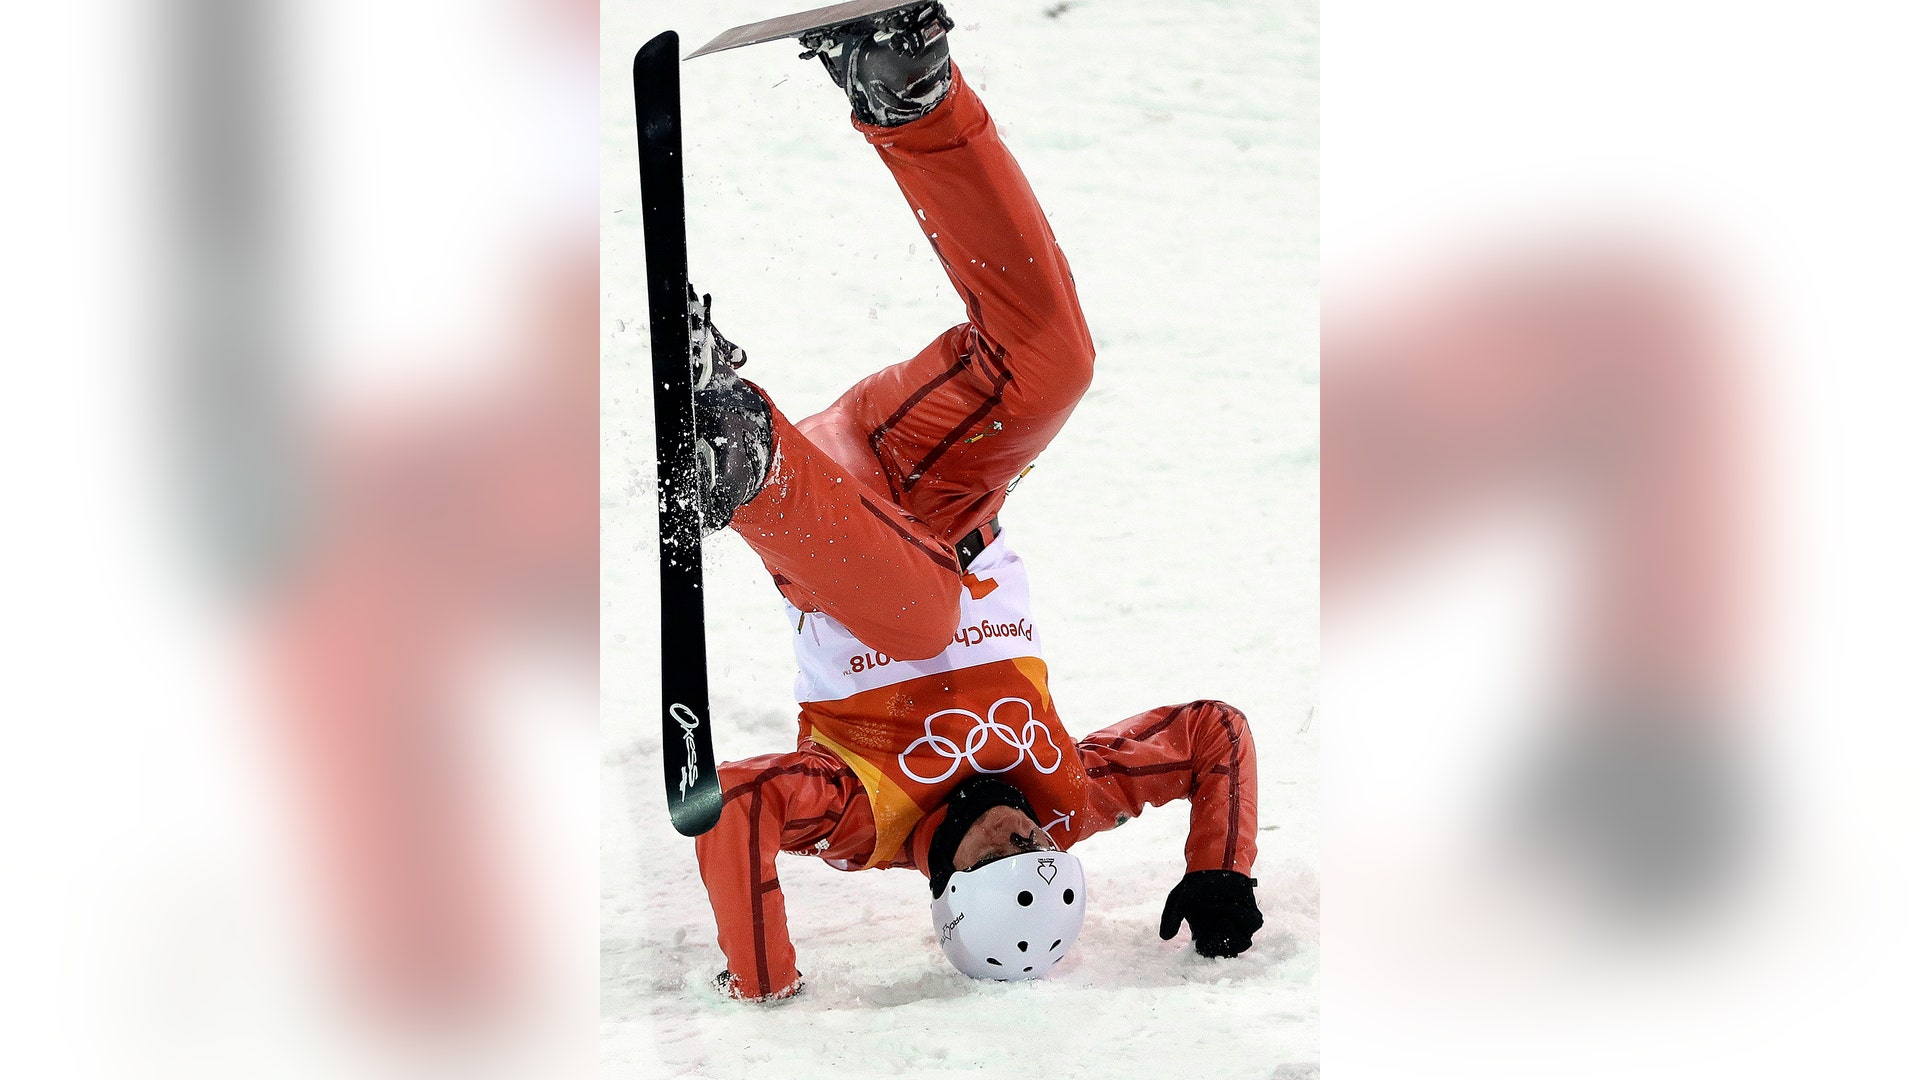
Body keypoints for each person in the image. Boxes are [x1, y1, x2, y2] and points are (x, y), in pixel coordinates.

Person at [682, 2, 1265, 1002]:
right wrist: (1220, 870)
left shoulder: (866, 827)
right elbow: (1211, 732)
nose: (1023, 835)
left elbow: (736, 803)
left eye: (998, 862)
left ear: (949, 887)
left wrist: (766, 977)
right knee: (1056, 366)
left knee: (924, 612)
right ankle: (906, 90)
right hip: (939, 479)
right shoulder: (1075, 795)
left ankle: (730, 444)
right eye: (1042, 852)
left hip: (822, 515)